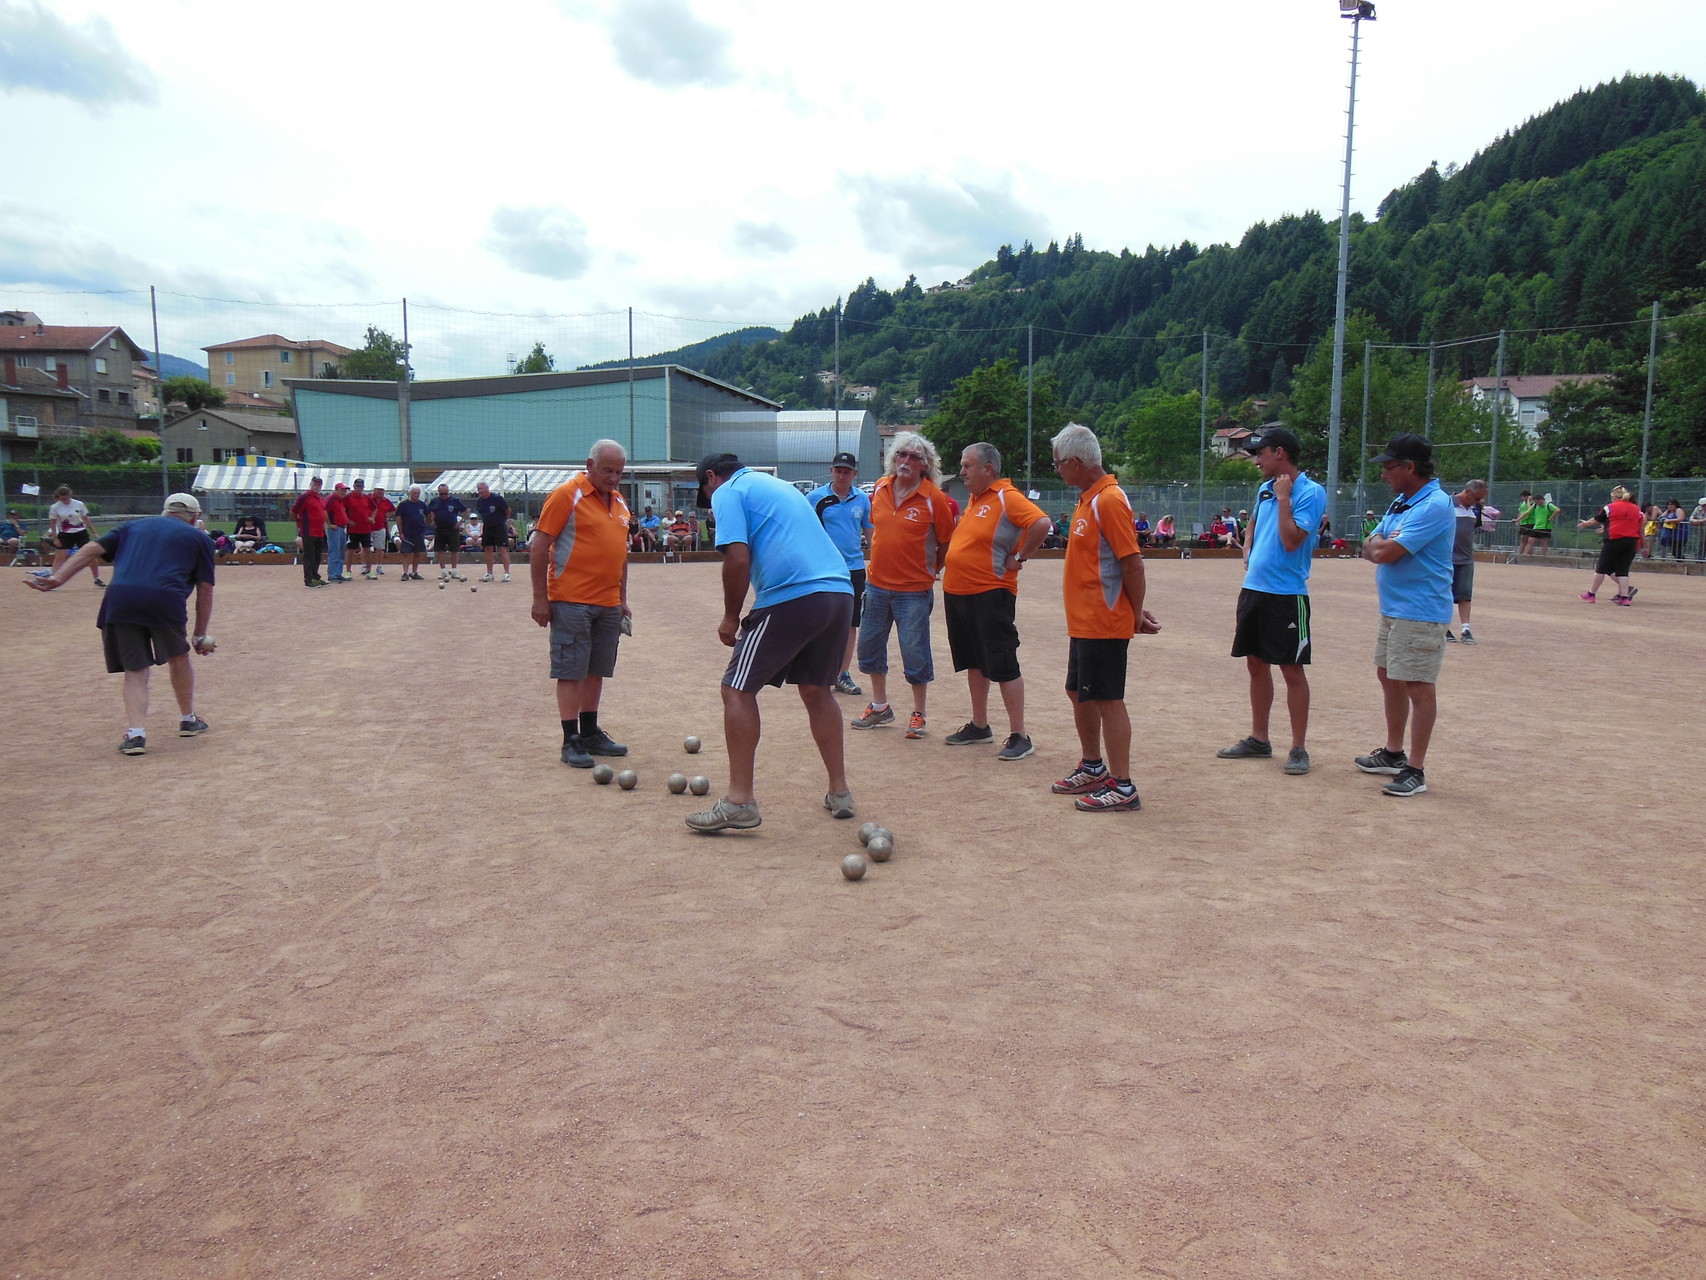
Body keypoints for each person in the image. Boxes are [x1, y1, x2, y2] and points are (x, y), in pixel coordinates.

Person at [687, 451, 856, 832]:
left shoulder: (729, 490)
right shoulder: (779, 486)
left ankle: (739, 801)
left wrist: (732, 616)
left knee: (736, 691)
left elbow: (737, 559)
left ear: (711, 477)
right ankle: (840, 791)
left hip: (794, 595)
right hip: (839, 593)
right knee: (817, 690)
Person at [25, 492, 215, 755]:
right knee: (178, 657)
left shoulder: (132, 526)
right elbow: (205, 589)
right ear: (195, 517)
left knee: (135, 670)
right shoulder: (199, 539)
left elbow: (91, 548)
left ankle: (136, 734)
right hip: (165, 600)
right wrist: (199, 634)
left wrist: (58, 578)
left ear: (165, 512)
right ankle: (188, 719)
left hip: (121, 599)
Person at [1049, 423, 1160, 812]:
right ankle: (1093, 766)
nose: (1056, 469)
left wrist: (1132, 612)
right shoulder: (1087, 498)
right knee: (1079, 692)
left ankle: (1123, 785)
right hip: (1084, 621)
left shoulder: (1108, 500)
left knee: (1109, 699)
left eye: (1059, 463)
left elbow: (1133, 564)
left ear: (1077, 463)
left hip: (1103, 620)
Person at [1215, 427, 1325, 776]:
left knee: (1292, 668)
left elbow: (1292, 540)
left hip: (1287, 594)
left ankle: (1298, 747)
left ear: (1280, 453)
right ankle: (1259, 739)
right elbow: (1253, 527)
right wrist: (1248, 546)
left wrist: (1283, 498)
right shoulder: (1265, 488)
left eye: (1260, 453)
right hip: (1254, 589)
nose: (1256, 460)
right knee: (1255, 663)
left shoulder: (1309, 491)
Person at [1357, 434, 1456, 798]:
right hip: (1394, 608)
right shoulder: (1403, 501)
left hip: (1421, 610)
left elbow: (1383, 552)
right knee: (1389, 676)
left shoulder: (1434, 504)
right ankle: (1394, 753)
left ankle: (1415, 769)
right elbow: (1373, 541)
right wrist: (1379, 544)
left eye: (1388, 467)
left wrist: (1379, 545)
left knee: (1417, 684)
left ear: (1410, 468)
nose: (1384, 475)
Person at [940, 442, 1052, 760]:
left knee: (1002, 662)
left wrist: (1019, 557)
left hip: (990, 592)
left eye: (967, 465)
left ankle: (1020, 734)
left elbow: (1041, 523)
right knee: (974, 661)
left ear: (988, 469)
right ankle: (980, 725)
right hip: (960, 593)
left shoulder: (1006, 496)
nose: (961, 471)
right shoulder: (976, 500)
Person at [530, 440, 632, 769]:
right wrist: (540, 598)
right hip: (571, 599)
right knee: (571, 671)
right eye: (608, 470)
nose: (614, 477)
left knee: (596, 670)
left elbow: (621, 554)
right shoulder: (566, 495)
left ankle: (590, 731)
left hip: (608, 602)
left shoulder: (618, 501)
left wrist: (623, 598)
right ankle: (569, 739)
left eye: (619, 471)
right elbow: (540, 545)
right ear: (590, 464)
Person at [852, 431, 956, 739]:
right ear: (892, 458)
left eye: (914, 457)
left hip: (913, 591)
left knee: (915, 652)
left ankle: (918, 713)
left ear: (926, 465)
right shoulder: (881, 489)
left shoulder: (934, 498)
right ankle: (880, 706)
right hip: (876, 586)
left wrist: (930, 570)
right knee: (869, 647)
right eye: (901, 455)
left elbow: (946, 542)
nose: (906, 461)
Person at [805, 450, 875, 698]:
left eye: (847, 471)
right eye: (838, 470)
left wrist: (878, 560)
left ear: (854, 474)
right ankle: (820, 669)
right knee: (821, 620)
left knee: (850, 623)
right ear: (831, 471)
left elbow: (870, 534)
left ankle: (842, 674)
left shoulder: (862, 500)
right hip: (824, 569)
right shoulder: (815, 498)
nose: (842, 475)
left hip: (854, 569)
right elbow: (806, 534)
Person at [1578, 485, 1644, 605]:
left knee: (1601, 568)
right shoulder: (1636, 509)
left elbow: (1597, 519)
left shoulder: (1610, 507)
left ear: (1614, 497)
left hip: (1614, 540)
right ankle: (1624, 598)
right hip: (1631, 541)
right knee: (1623, 570)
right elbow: (1636, 527)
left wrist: (1585, 524)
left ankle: (1591, 594)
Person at [1445, 479, 1488, 644]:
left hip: (1466, 559)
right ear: (1469, 493)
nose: (1479, 502)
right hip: (1447, 559)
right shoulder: (1447, 504)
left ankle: (1466, 629)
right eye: (1477, 498)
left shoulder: (1474, 509)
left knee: (1465, 596)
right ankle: (1444, 627)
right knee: (1445, 595)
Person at [47, 485, 104, 587]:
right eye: (63, 498)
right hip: (65, 534)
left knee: (90, 556)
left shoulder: (79, 504)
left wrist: (94, 532)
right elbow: (53, 523)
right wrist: (55, 538)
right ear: (58, 497)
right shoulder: (55, 507)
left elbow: (86, 519)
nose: (65, 500)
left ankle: (97, 578)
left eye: (67, 498)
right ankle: (53, 579)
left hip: (80, 532)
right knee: (59, 557)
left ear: (70, 495)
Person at [289, 476, 328, 588]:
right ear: (311, 484)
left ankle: (315, 576)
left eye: (319, 484)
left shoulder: (320, 498)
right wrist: (298, 521)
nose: (317, 486)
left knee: (317, 556)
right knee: (309, 556)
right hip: (308, 530)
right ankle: (308, 579)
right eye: (315, 484)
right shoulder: (305, 497)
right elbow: (293, 511)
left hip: (319, 531)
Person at [427, 484, 468, 581]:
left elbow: (466, 511)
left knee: (454, 550)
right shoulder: (434, 501)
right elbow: (428, 513)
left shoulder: (455, 500)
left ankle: (454, 571)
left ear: (448, 492)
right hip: (439, 529)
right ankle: (443, 571)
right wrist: (431, 523)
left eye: (445, 493)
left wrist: (461, 522)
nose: (444, 496)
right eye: (441, 494)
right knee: (440, 550)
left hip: (452, 528)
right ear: (438, 492)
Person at [474, 481, 512, 582]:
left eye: (482, 488)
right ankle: (489, 573)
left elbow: (508, 510)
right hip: (487, 527)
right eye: (479, 489)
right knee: (487, 549)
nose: (481, 491)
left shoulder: (497, 498)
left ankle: (506, 574)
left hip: (499, 526)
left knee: (502, 549)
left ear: (487, 488)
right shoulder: (480, 501)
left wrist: (503, 520)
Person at [396, 485, 428, 580]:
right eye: (414, 493)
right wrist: (401, 532)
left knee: (417, 553)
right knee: (405, 553)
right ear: (409, 493)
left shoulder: (422, 505)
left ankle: (414, 572)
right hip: (407, 533)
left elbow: (428, 516)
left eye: (418, 493)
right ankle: (405, 573)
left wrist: (424, 526)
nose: (416, 495)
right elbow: (398, 518)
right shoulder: (403, 505)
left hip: (419, 533)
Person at [324, 481, 352, 582]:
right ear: (336, 490)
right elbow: (325, 510)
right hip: (335, 528)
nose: (343, 492)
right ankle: (332, 574)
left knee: (341, 552)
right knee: (334, 551)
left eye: (345, 490)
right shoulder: (331, 499)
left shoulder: (340, 501)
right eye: (341, 490)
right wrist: (329, 524)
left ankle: (338, 573)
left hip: (341, 528)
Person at [369, 485, 395, 572]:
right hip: (367, 527)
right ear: (374, 490)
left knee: (380, 548)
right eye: (378, 490)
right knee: (365, 548)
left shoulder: (386, 501)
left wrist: (386, 516)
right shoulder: (368, 498)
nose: (380, 492)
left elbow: (393, 510)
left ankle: (379, 566)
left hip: (380, 526)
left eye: (382, 490)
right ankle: (365, 566)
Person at [1527, 491, 1561, 555]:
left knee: (1544, 542)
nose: (1536, 503)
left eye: (1537, 502)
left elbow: (1557, 510)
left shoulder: (1548, 505)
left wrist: (1551, 517)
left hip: (1545, 526)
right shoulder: (1535, 506)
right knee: (1530, 540)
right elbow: (1529, 511)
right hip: (1536, 526)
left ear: (1540, 500)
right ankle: (1527, 554)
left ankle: (1543, 556)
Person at [1516, 490, 1536, 555]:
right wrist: (1518, 522)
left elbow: (1529, 509)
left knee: (1529, 540)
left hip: (1530, 523)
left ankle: (1528, 553)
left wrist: (1529, 500)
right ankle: (1521, 553)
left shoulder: (1533, 503)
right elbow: (1520, 513)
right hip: (1523, 523)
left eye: (1523, 497)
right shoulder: (1522, 504)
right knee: (1523, 539)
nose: (1522, 498)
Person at [1691, 496, 1706, 560]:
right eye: (1702, 505)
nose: (1703, 507)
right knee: (1700, 543)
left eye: (1704, 505)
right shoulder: (1698, 508)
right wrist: (1695, 521)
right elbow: (1691, 518)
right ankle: (1699, 559)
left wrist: (1699, 521)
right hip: (1701, 530)